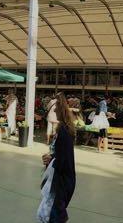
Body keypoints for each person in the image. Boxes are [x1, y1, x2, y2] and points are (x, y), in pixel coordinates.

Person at [38, 94, 77, 223]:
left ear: (60, 111)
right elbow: (61, 155)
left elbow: (63, 161)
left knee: (55, 214)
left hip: (61, 180)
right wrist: (52, 157)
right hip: (62, 179)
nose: (53, 112)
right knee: (55, 212)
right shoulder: (63, 130)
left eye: (54, 110)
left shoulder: (64, 132)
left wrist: (51, 160)